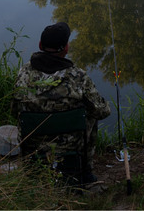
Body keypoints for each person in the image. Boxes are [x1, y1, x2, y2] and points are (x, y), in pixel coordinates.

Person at [14, 22, 111, 184]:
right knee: (92, 116)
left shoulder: (24, 74)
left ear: (40, 45)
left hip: (33, 144)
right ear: (66, 48)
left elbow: (14, 109)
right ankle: (85, 171)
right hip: (70, 145)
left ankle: (30, 167)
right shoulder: (78, 77)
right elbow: (103, 111)